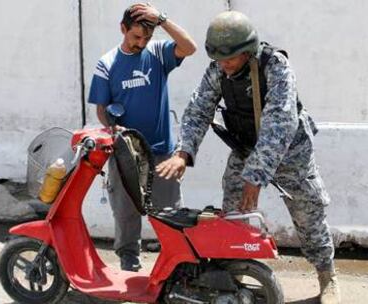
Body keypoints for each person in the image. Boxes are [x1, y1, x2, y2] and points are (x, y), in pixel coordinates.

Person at [156, 11, 340, 304]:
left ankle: (327, 276)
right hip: (246, 148)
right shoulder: (219, 68)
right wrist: (183, 152)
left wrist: (255, 177)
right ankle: (234, 278)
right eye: (219, 60)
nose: (224, 66)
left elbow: (280, 123)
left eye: (229, 59)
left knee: (308, 213)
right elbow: (198, 109)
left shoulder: (275, 66)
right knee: (232, 215)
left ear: (247, 51)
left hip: (290, 150)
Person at [88, 3, 196, 272]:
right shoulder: (107, 64)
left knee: (170, 214)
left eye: (146, 38)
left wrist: (162, 20)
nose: (141, 43)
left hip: (161, 153)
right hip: (126, 154)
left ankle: (177, 268)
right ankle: (129, 263)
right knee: (126, 213)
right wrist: (114, 128)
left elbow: (190, 47)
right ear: (122, 29)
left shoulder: (158, 52)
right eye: (136, 37)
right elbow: (102, 109)